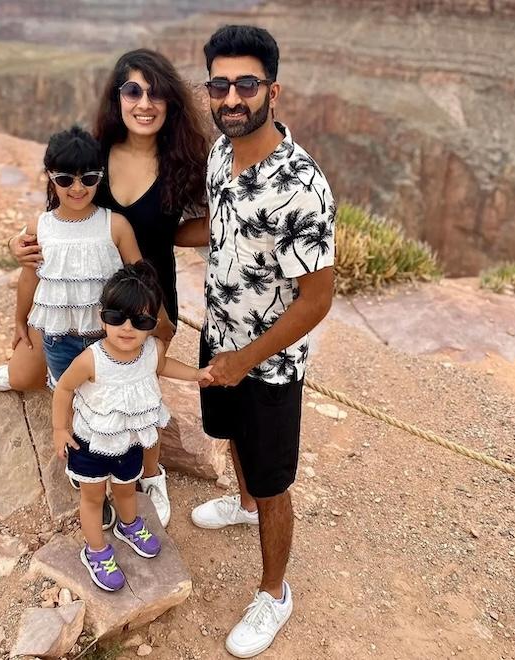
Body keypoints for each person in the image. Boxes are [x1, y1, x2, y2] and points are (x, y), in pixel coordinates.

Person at [0, 49, 209, 528]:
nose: (144, 103)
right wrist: (18, 244)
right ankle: (64, 405)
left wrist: (171, 235)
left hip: (142, 298)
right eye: (133, 91)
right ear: (118, 98)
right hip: (77, 303)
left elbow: (215, 218)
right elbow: (59, 208)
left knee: (135, 387)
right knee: (28, 375)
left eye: (155, 92)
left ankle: (150, 474)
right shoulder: (97, 153)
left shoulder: (184, 161)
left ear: (170, 101)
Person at [176, 25, 336, 658]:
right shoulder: (222, 154)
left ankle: (274, 592)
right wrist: (147, 232)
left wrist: (245, 359)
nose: (232, 98)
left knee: (274, 481)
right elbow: (219, 232)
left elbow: (317, 298)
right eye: (220, 84)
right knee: (233, 439)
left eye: (247, 84)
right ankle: (242, 505)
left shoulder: (302, 186)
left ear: (274, 90)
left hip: (265, 363)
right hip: (220, 337)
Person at [51, 262, 213, 591]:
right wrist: (59, 428)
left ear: (152, 324)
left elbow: (165, 365)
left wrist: (197, 375)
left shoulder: (150, 352)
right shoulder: (92, 359)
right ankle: (95, 551)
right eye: (116, 317)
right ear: (102, 317)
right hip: (91, 445)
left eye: (140, 321)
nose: (127, 328)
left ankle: (129, 524)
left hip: (129, 442)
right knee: (93, 498)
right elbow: (65, 388)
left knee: (127, 488)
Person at [16, 125, 142, 397]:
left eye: (88, 179)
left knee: (105, 400)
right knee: (67, 396)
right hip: (57, 339)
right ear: (50, 177)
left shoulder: (115, 225)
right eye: (65, 180)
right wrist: (19, 321)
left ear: (100, 177)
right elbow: (29, 277)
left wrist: (156, 323)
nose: (77, 188)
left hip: (108, 338)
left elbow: (141, 281)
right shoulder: (40, 226)